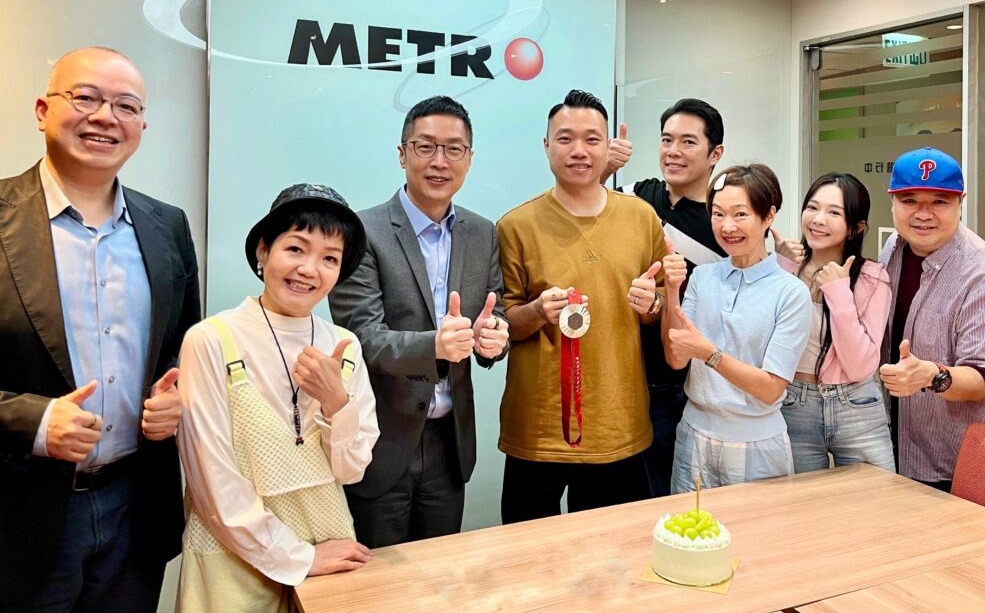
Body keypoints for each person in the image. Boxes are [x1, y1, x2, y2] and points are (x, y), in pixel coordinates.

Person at [0, 47, 201, 612]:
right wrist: (34, 422)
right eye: (85, 97)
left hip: (135, 509)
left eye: (126, 105)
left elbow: (182, 349)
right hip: (19, 513)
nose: (105, 117)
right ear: (43, 110)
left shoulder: (168, 226)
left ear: (141, 126)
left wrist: (178, 396)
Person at [176, 183, 379, 611]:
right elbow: (212, 478)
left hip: (330, 542)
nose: (309, 269)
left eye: (329, 258)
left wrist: (336, 403)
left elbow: (352, 469)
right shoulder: (211, 339)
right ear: (263, 251)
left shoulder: (344, 345)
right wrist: (297, 557)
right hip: (234, 558)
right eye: (295, 249)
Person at [330, 95, 508, 547]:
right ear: (402, 153)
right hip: (380, 440)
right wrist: (435, 345)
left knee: (440, 573)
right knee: (377, 577)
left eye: (454, 149)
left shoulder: (482, 232)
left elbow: (496, 312)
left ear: (469, 158)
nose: (439, 161)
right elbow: (361, 337)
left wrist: (494, 339)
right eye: (425, 146)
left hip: (450, 444)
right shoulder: (362, 232)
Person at [497, 89, 668, 523]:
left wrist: (653, 304)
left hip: (618, 421)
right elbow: (503, 325)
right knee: (528, 550)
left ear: (608, 147)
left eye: (592, 139)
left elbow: (662, 307)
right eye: (565, 138)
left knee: (612, 552)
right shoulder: (515, 226)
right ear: (546, 145)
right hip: (538, 427)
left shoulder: (641, 217)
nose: (579, 150)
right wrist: (537, 311)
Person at [600, 98, 727, 497]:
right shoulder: (635, 196)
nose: (673, 151)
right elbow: (581, 211)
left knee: (664, 496)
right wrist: (604, 169)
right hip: (618, 375)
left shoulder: (723, 224)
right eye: (666, 140)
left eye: (688, 142)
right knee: (610, 497)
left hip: (678, 387)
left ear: (715, 154)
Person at [878, 147, 985, 491]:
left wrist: (931, 375)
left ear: (960, 202)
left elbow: (983, 379)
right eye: (910, 200)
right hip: (906, 441)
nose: (923, 214)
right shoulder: (894, 247)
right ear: (893, 202)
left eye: (939, 202)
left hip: (970, 458)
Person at [665, 164, 810, 491]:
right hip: (694, 435)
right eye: (718, 214)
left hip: (756, 444)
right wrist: (672, 288)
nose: (727, 226)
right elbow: (676, 358)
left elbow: (771, 388)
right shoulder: (703, 277)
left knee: (757, 526)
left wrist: (709, 353)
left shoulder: (790, 292)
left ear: (769, 215)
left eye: (740, 214)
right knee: (689, 523)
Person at [771, 173, 895, 473]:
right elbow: (764, 340)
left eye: (834, 213)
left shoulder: (872, 277)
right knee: (801, 500)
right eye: (812, 207)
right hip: (793, 403)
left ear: (856, 227)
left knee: (879, 497)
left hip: (857, 404)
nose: (818, 220)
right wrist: (782, 267)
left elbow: (860, 365)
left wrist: (839, 292)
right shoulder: (782, 269)